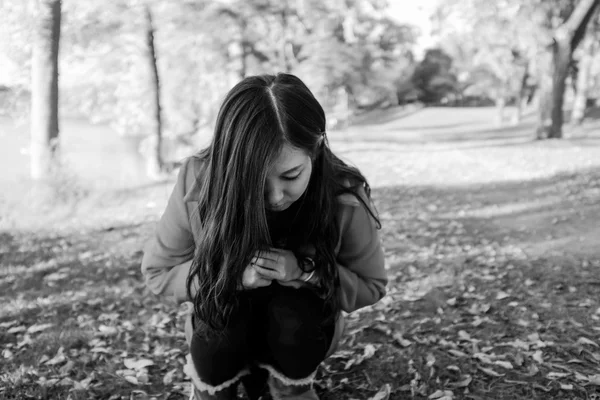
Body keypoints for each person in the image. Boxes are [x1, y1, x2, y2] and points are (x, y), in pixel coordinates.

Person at [141, 73, 387, 400]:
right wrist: (228, 276)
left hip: (302, 333)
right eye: (253, 180)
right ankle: (210, 387)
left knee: (292, 316)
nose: (274, 197)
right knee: (221, 326)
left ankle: (291, 388)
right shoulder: (199, 178)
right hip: (219, 330)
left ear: (314, 151)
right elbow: (158, 272)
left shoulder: (344, 195)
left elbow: (372, 284)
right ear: (232, 162)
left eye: (291, 175)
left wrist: (305, 271)